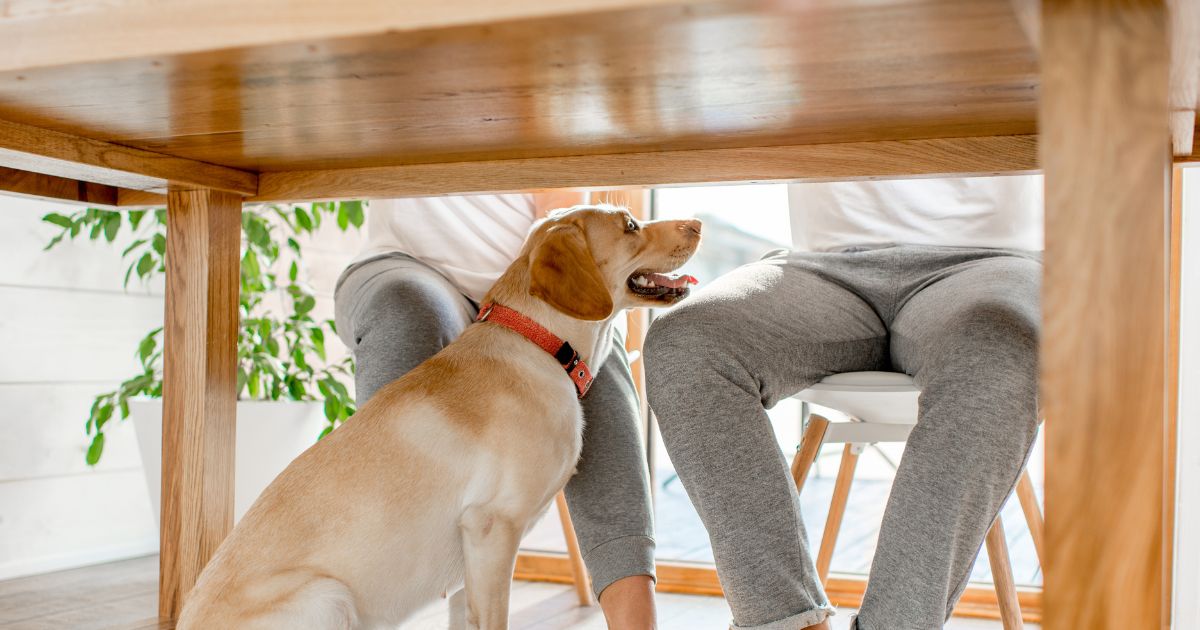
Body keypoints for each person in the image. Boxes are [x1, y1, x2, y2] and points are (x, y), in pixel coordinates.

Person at [643, 176, 1043, 630]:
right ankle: (788, 624)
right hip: (824, 270)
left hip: (989, 265)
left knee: (1003, 346)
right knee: (686, 345)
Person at [333, 192, 658, 629]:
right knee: (409, 307)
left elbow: (561, 207)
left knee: (596, 366)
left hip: (532, 278)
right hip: (406, 263)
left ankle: (637, 624)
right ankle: (371, 583)